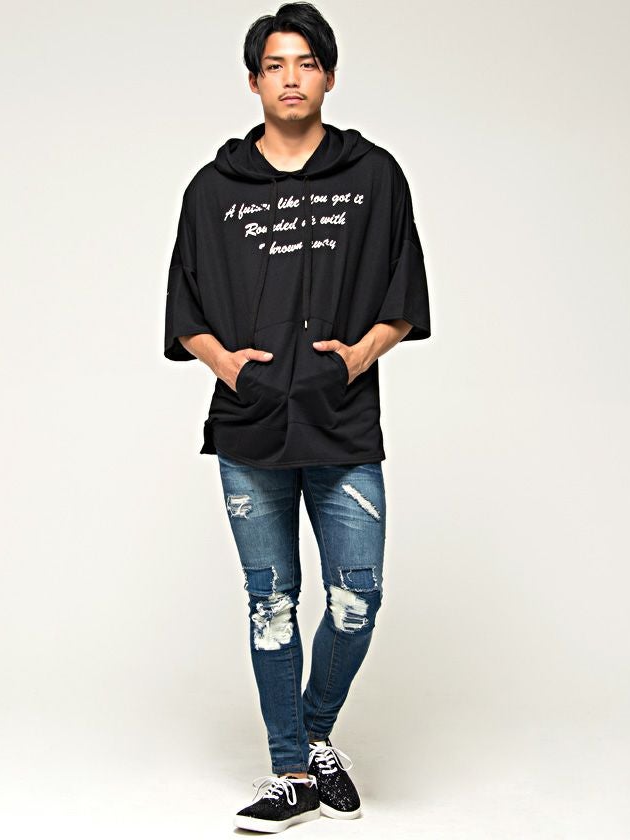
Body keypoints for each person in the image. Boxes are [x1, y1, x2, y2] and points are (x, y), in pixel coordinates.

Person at [163, 2, 431, 832]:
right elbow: (184, 307)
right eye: (275, 65)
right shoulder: (213, 190)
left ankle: (313, 735)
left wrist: (355, 358)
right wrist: (228, 367)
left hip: (342, 422)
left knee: (358, 596)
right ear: (253, 81)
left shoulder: (373, 177)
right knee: (270, 601)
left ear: (329, 76)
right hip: (249, 430)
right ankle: (290, 771)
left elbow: (405, 293)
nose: (290, 78)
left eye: (306, 63)